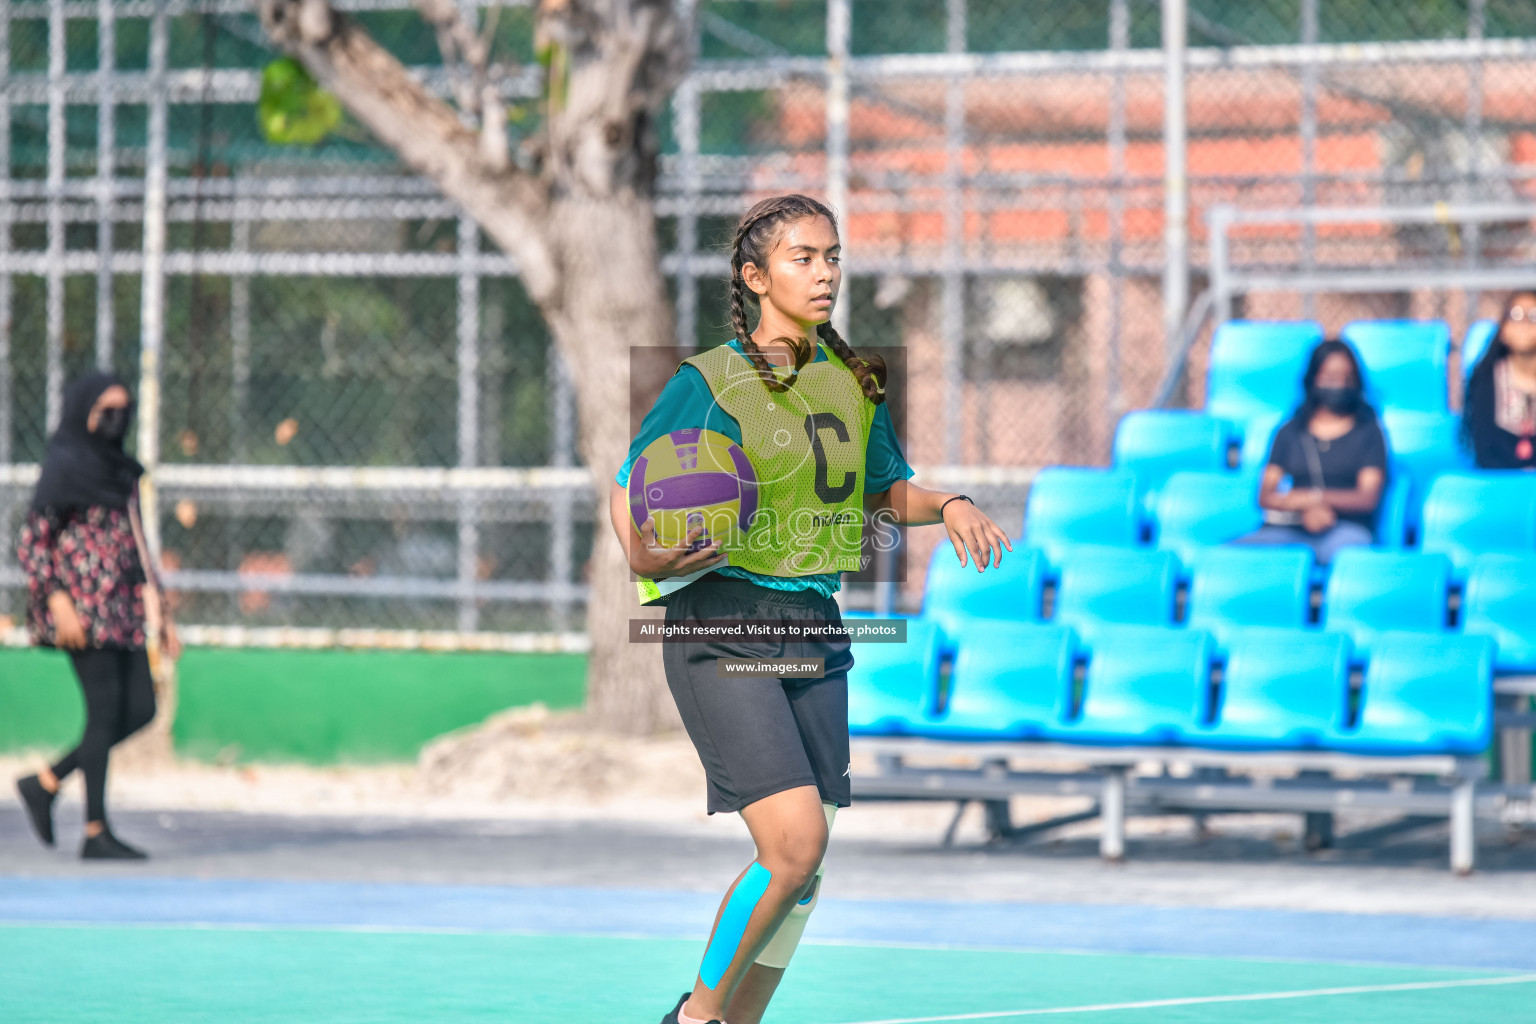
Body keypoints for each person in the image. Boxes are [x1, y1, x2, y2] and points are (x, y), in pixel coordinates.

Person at [609, 194, 1011, 1024]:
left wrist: (948, 503)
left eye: (831, 255)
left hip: (813, 627)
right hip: (723, 622)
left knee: (807, 868)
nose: (825, 271)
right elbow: (630, 485)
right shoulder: (711, 380)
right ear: (755, 278)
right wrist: (643, 554)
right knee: (793, 845)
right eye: (803, 257)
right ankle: (694, 1018)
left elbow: (878, 489)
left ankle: (734, 1020)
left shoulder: (853, 379)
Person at [13, 371, 182, 860]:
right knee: (105, 713)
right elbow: (33, 540)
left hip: (124, 607)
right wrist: (57, 599)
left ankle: (46, 782)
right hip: (81, 608)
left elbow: (138, 541)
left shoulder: (122, 471)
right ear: (83, 409)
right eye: (105, 409)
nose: (115, 419)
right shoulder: (65, 466)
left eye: (123, 410)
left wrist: (163, 612)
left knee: (142, 709)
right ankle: (94, 830)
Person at [1236, 338, 1387, 564]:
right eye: (1330, 377)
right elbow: (1266, 494)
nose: (1339, 385)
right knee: (1230, 558)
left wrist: (1314, 499)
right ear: (1313, 378)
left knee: (1346, 556)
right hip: (1290, 527)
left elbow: (1367, 497)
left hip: (1343, 529)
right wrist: (1305, 508)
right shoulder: (1290, 431)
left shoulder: (1369, 433)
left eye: (1346, 378)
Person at [1463, 290, 1536, 470]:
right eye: (1515, 315)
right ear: (1504, 329)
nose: (1524, 323)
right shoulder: (1485, 379)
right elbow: (1484, 446)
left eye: (1533, 315)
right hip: (1498, 483)